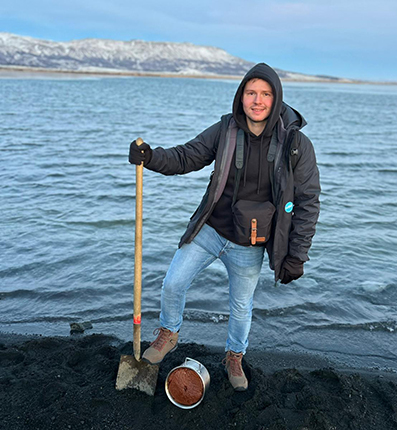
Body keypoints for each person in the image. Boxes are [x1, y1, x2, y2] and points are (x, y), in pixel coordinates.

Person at [128, 63, 320, 391]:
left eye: (265, 94)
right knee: (173, 283)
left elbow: (307, 202)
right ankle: (169, 332)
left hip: (251, 243)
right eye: (251, 93)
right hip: (210, 230)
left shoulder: (296, 145)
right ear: (241, 96)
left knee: (241, 307)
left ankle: (234, 356)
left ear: (276, 99)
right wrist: (151, 157)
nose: (257, 100)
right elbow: (187, 156)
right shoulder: (226, 130)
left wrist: (296, 256)